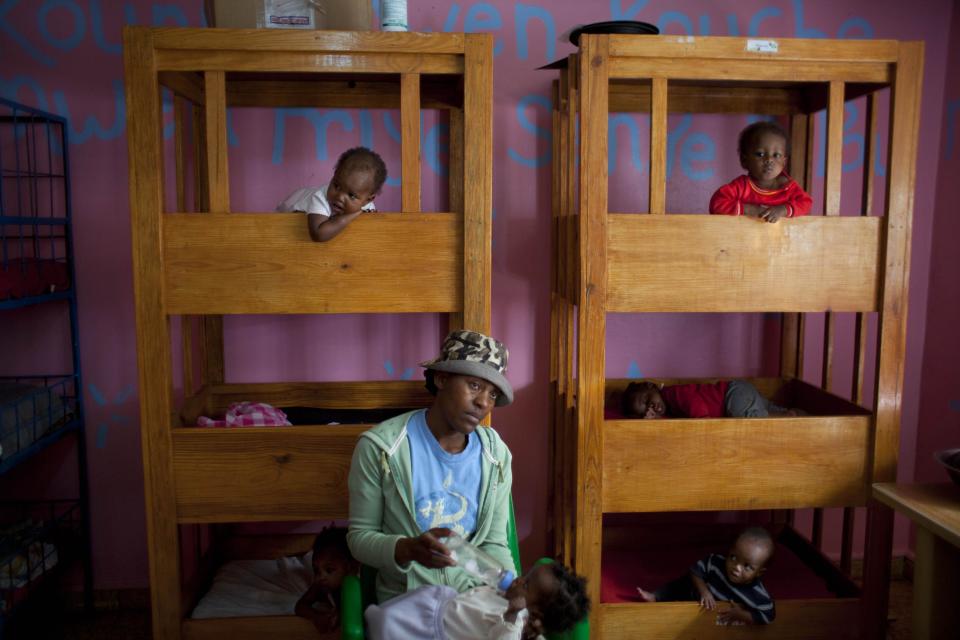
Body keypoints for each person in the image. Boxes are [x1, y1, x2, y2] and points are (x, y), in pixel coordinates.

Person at [347, 330, 516, 604]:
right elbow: (360, 538)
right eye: (474, 385)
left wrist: (511, 590)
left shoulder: (495, 454)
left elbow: (494, 543)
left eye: (493, 394)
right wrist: (408, 549)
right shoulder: (382, 448)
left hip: (475, 599)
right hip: (407, 600)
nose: (483, 402)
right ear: (441, 379)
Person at [364, 560, 590, 640]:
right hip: (438, 609)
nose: (519, 580)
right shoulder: (510, 592)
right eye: (526, 575)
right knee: (387, 617)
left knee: (389, 626)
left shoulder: (516, 622)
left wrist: (512, 615)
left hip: (438, 631)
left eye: (527, 585)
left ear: (536, 612)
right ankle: (375, 621)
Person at [637, 527, 776, 625]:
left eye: (747, 566)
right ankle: (655, 596)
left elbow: (768, 615)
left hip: (711, 613)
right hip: (696, 591)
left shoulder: (757, 594)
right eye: (733, 557)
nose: (736, 568)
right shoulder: (715, 562)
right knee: (679, 585)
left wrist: (741, 615)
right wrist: (704, 590)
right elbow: (695, 570)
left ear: (759, 572)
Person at [277, 146, 387, 242]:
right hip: (284, 213)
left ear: (368, 200)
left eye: (351, 196)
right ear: (334, 176)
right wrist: (353, 214)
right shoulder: (320, 197)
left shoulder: (367, 205)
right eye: (337, 186)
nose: (339, 197)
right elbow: (318, 234)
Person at [709, 121, 813, 223]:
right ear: (744, 160)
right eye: (760, 154)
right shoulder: (741, 187)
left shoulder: (788, 187)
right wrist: (750, 209)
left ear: (784, 162)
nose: (769, 160)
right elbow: (716, 204)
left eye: (776, 155)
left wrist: (782, 210)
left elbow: (806, 203)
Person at [621, 379, 797, 420]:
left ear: (652, 387)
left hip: (732, 395)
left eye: (646, 400)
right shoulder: (669, 407)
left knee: (754, 424)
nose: (649, 407)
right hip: (739, 393)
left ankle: (785, 417)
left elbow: (696, 407)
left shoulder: (673, 394)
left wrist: (707, 429)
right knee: (767, 407)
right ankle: (790, 414)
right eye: (645, 411)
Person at [294, 526, 359, 632]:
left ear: (350, 567)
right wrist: (316, 617)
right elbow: (300, 606)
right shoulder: (321, 586)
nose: (320, 577)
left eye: (329, 570)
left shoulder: (358, 585)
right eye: (316, 570)